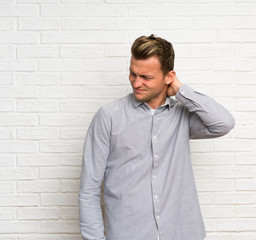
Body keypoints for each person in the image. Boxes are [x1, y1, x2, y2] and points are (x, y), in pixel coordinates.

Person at [79, 34, 235, 240]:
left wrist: (180, 90)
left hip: (182, 233)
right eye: (133, 74)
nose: (136, 83)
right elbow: (88, 189)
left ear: (168, 77)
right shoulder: (108, 116)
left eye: (146, 77)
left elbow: (223, 123)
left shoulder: (183, 116)